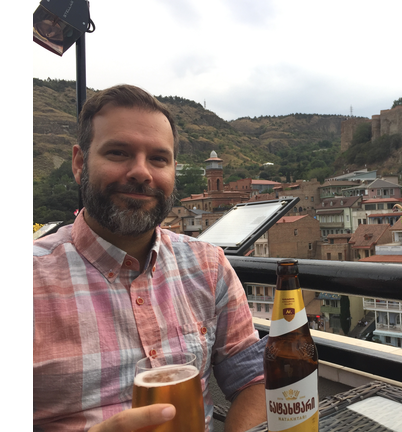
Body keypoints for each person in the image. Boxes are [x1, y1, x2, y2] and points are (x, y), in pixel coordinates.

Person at [33, 84, 267, 432]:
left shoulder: (209, 266)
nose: (141, 172)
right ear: (80, 163)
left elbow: (254, 380)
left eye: (158, 159)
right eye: (118, 153)